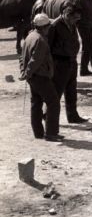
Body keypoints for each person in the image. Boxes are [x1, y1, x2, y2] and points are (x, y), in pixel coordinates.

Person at [19, 13, 61, 141]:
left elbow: (22, 57)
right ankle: (51, 133)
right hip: (40, 76)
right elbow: (35, 60)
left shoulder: (29, 36)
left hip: (33, 77)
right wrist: (28, 73)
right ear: (44, 27)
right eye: (48, 26)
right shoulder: (41, 40)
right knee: (53, 102)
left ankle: (38, 133)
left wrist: (23, 72)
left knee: (36, 103)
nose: (49, 28)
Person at [47, 5, 87, 124]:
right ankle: (48, 117)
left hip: (71, 61)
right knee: (56, 93)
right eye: (75, 18)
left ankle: (73, 116)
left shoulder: (72, 24)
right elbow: (48, 47)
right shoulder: (55, 26)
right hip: (59, 63)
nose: (77, 21)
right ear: (67, 15)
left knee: (71, 91)